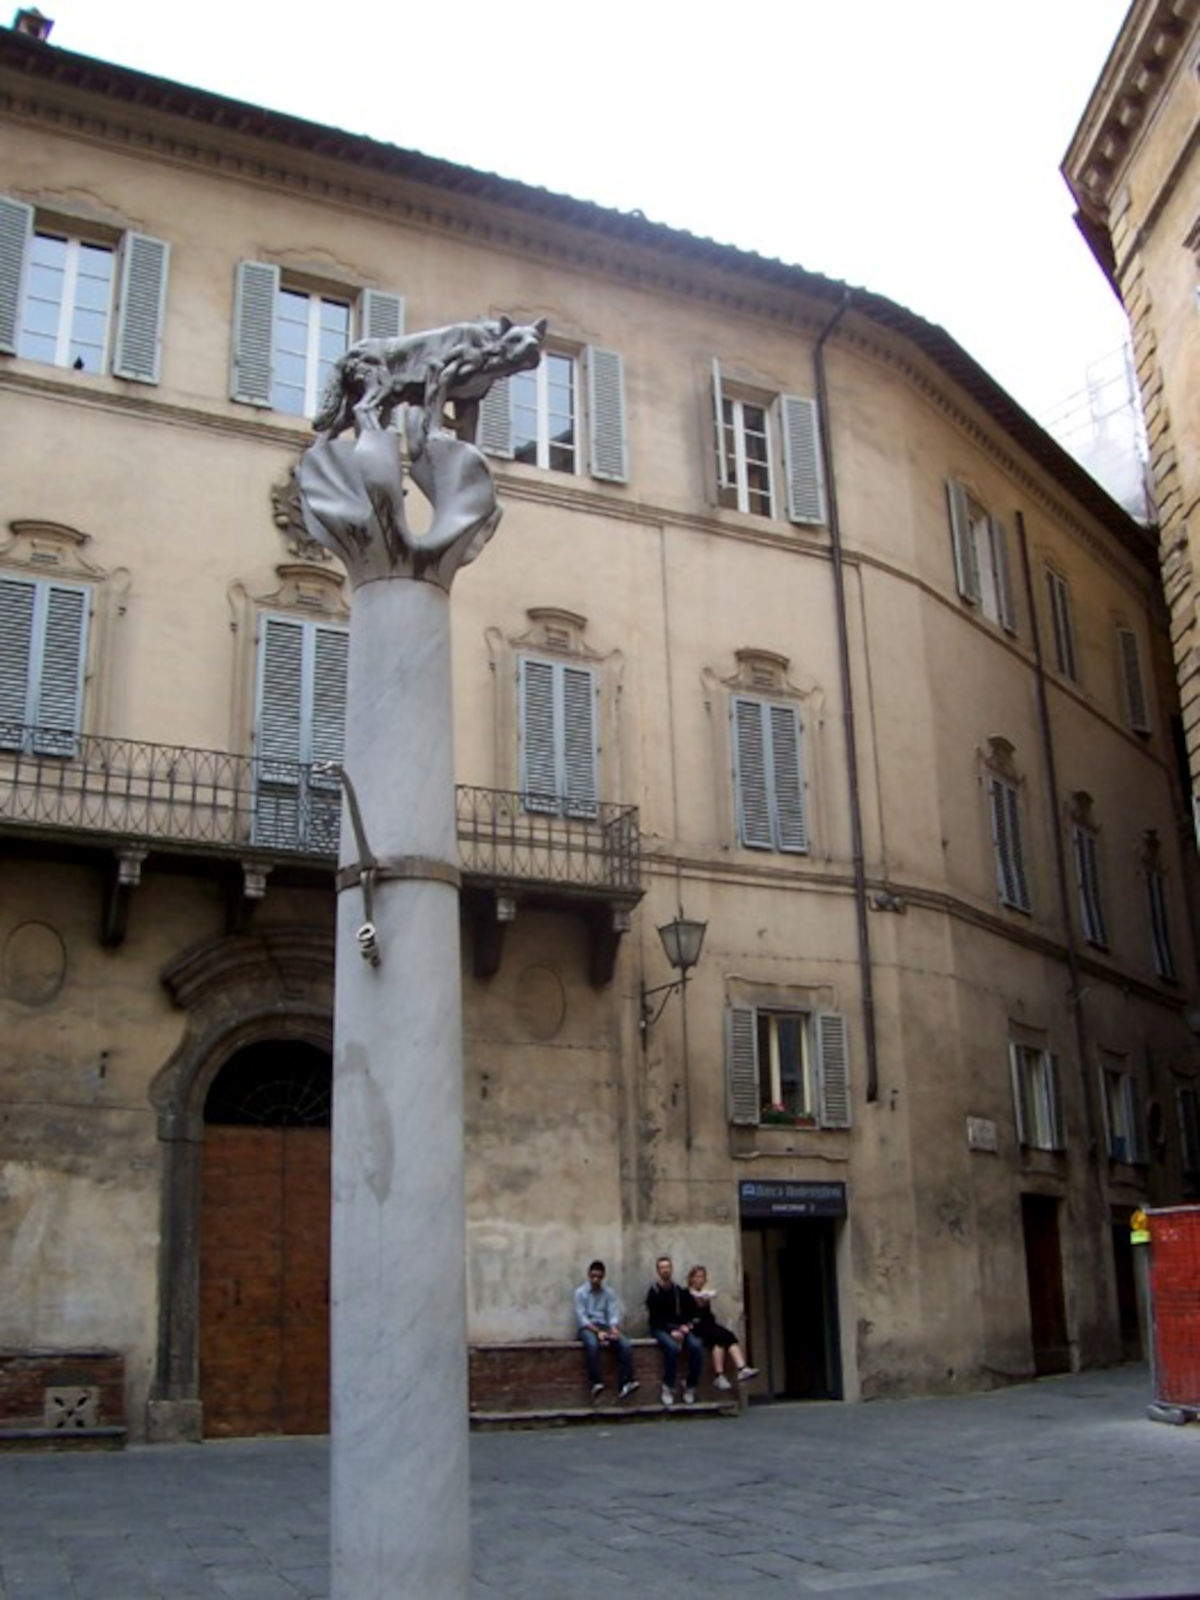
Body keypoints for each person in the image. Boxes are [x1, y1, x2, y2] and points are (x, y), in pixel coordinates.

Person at [573, 1260, 638, 1402]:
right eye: (593, 1276)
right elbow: (582, 1318)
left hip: (605, 1326)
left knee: (625, 1344)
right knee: (592, 1345)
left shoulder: (609, 1293)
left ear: (603, 1277)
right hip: (588, 1328)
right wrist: (598, 1332)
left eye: (598, 1277)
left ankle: (625, 1383)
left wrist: (614, 1329)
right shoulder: (580, 1293)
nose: (595, 1280)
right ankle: (596, 1382)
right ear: (589, 1275)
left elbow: (613, 1314)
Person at [686, 1264, 758, 1390]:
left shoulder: (705, 1294)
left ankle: (739, 1369)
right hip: (697, 1327)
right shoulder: (686, 1293)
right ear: (691, 1278)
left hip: (709, 1325)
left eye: (702, 1277)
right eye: (697, 1276)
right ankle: (722, 1375)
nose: (700, 1279)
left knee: (727, 1337)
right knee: (719, 1337)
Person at [645, 1254, 703, 1408]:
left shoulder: (678, 1291)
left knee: (696, 1346)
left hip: (680, 1328)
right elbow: (654, 1319)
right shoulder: (654, 1292)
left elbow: (690, 1313)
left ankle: (690, 1386)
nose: (665, 1270)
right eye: (662, 1268)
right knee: (671, 1347)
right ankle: (668, 1386)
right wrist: (671, 1331)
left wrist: (686, 1326)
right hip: (660, 1329)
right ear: (658, 1271)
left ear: (671, 1269)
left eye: (667, 1267)